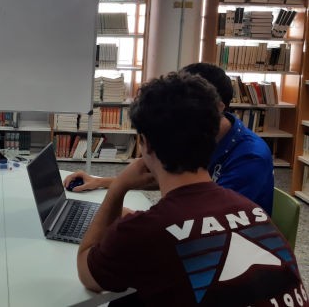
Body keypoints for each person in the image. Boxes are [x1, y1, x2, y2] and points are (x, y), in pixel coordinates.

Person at [77, 71, 306, 306]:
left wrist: (119, 187)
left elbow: (87, 272)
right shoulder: (256, 215)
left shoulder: (143, 232)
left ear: (144, 143)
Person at [64, 62, 274, 214]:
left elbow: (207, 218)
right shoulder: (198, 134)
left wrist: (134, 218)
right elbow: (177, 176)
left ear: (219, 107)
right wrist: (104, 182)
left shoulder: (250, 157)